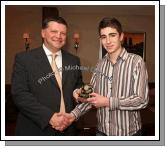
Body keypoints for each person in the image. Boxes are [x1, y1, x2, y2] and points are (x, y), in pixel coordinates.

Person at [63, 17, 149, 136]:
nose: (108, 41)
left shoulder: (136, 62)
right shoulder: (100, 64)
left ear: (121, 36)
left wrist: (108, 102)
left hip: (129, 135)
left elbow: (142, 100)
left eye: (112, 35)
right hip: (101, 133)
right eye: (104, 37)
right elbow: (90, 94)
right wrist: (73, 113)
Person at [11, 17, 83, 136]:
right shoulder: (24, 59)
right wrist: (49, 117)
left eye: (63, 33)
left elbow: (78, 85)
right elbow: (20, 94)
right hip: (35, 130)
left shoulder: (74, 60)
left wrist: (78, 92)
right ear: (43, 33)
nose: (59, 36)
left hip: (68, 130)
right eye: (54, 32)